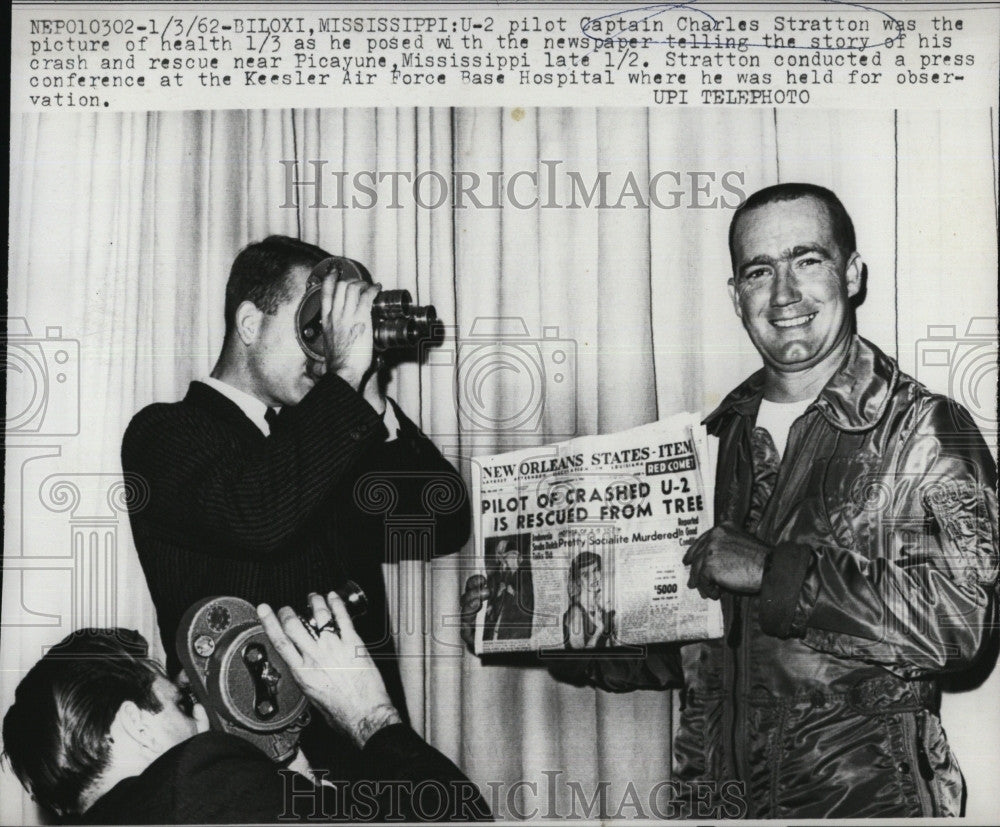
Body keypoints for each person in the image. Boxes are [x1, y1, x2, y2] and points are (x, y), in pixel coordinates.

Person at [462, 183, 998, 818]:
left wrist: (774, 571)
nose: (784, 294)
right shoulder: (709, 442)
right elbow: (678, 649)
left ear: (851, 275)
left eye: (808, 259)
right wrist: (540, 626)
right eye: (759, 271)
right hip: (714, 801)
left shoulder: (924, 428)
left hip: (865, 802)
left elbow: (963, 627)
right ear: (736, 295)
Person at [121, 236, 470, 765]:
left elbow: (441, 519)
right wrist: (345, 378)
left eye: (329, 329)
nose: (324, 346)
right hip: (252, 770)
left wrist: (369, 393)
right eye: (311, 326)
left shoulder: (329, 433)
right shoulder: (166, 432)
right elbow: (258, 513)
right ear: (249, 324)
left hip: (362, 755)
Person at [2, 592, 491, 824]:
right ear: (137, 724)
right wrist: (371, 715)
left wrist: (284, 771)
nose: (201, 718)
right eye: (182, 704)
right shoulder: (197, 782)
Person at [482, 537, 534, 641]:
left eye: (510, 557)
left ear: (516, 558)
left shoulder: (524, 575)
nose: (507, 561)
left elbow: (528, 601)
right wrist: (499, 594)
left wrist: (514, 593)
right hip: (504, 621)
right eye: (507, 558)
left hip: (517, 625)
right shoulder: (507, 575)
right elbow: (501, 601)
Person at [562, 551, 614, 650]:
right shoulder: (576, 612)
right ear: (577, 581)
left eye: (595, 570)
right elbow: (579, 659)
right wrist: (599, 630)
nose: (593, 577)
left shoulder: (599, 607)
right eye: (585, 575)